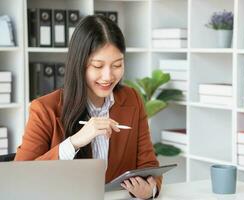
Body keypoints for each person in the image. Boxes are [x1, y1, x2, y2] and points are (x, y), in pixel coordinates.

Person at [15, 15, 161, 199]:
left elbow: (149, 164)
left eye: (117, 65)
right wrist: (75, 142)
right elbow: (20, 177)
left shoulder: (132, 100)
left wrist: (150, 190)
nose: (108, 76)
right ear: (79, 64)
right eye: (97, 66)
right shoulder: (44, 109)